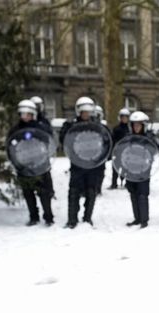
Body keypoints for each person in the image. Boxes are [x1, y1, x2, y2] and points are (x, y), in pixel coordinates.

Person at [7, 99, 55, 226]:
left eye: (28, 114)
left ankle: (48, 217)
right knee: (28, 193)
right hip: (23, 165)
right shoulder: (15, 130)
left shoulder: (40, 127)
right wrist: (16, 161)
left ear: (33, 114)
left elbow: (48, 142)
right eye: (23, 114)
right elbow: (10, 146)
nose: (25, 117)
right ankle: (33, 216)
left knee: (44, 193)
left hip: (39, 163)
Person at [60, 96, 101, 229]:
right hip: (77, 163)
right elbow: (64, 140)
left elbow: (105, 140)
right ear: (79, 112)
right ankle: (72, 219)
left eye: (88, 112)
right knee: (74, 191)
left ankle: (87, 218)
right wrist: (69, 128)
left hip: (92, 164)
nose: (86, 114)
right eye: (83, 112)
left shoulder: (96, 126)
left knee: (91, 191)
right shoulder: (71, 125)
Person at [124, 111, 156, 228]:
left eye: (139, 125)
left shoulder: (148, 138)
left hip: (143, 170)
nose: (136, 127)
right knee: (133, 193)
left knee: (142, 194)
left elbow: (153, 151)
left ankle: (144, 219)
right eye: (134, 125)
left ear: (143, 126)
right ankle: (137, 218)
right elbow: (122, 151)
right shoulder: (128, 138)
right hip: (130, 169)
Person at [109, 108, 131, 189]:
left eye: (126, 117)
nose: (124, 119)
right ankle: (114, 183)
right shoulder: (116, 129)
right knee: (115, 168)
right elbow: (113, 140)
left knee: (126, 168)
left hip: (127, 152)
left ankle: (127, 183)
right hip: (118, 151)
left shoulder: (130, 129)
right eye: (123, 117)